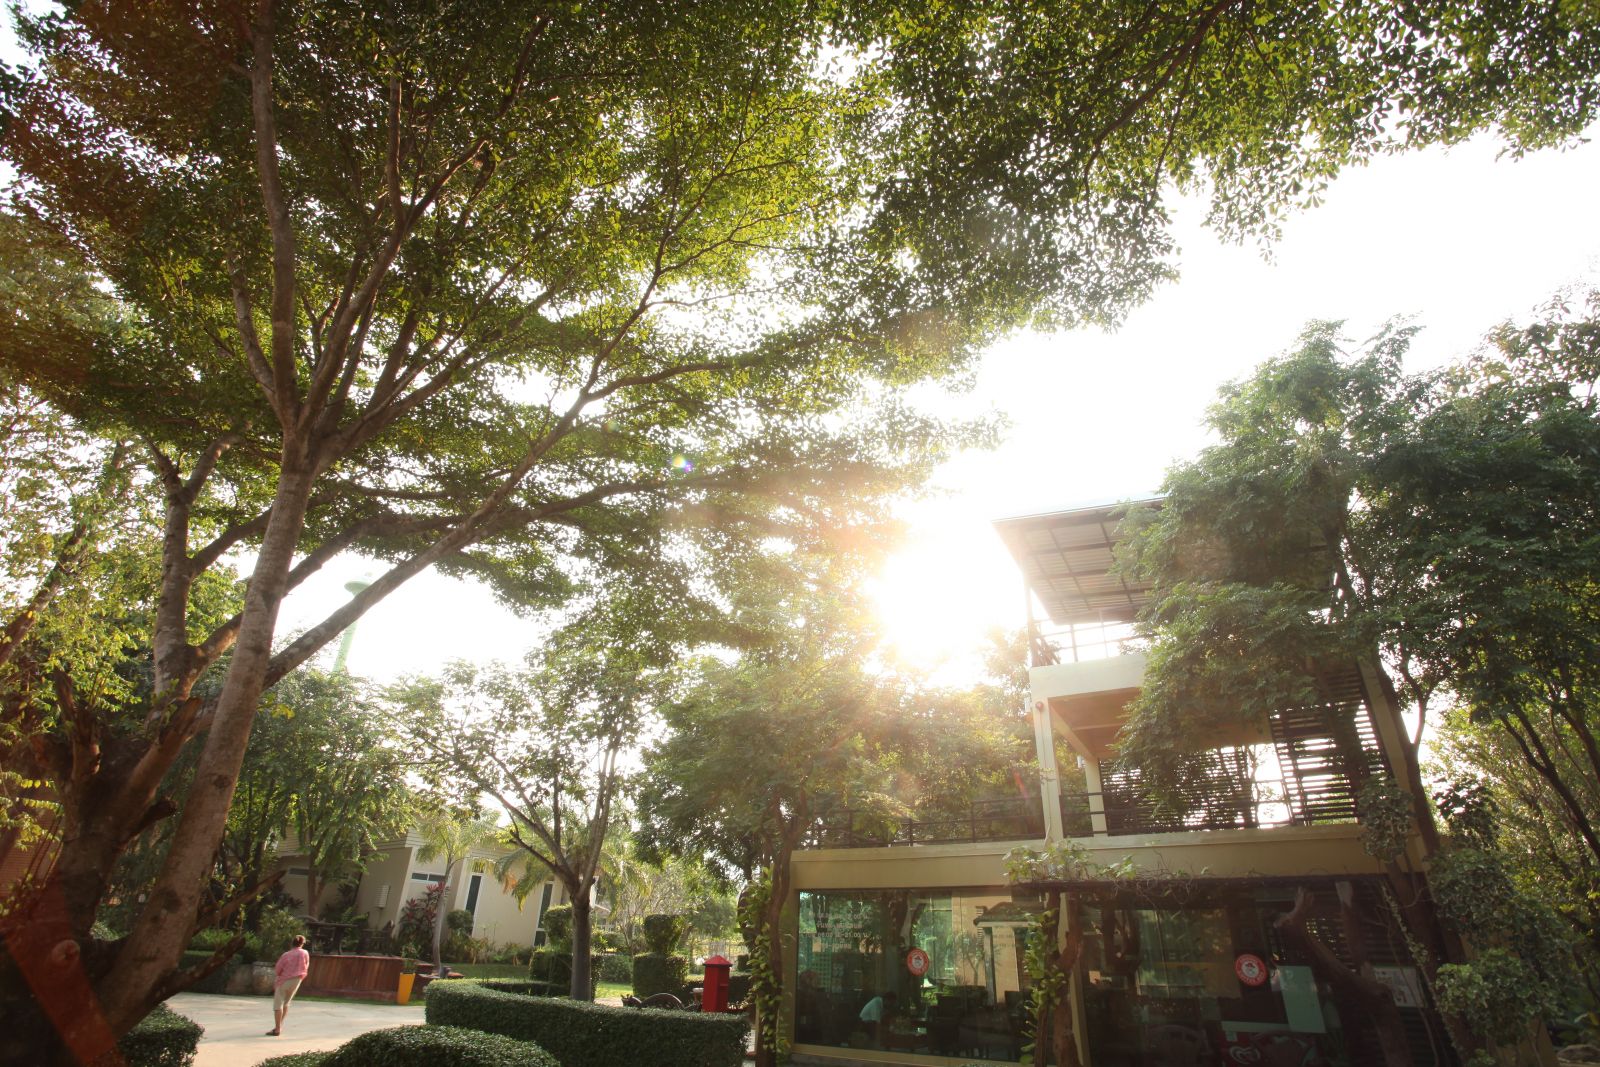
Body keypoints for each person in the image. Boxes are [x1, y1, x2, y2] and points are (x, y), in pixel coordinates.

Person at [267, 934, 310, 1036]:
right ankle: (279, 1026)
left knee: (278, 1004)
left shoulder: (286, 955)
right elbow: (306, 965)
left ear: (292, 943)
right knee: (286, 1003)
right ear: (302, 944)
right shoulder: (305, 953)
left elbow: (278, 970)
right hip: (297, 980)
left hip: (284, 980)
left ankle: (277, 1029)